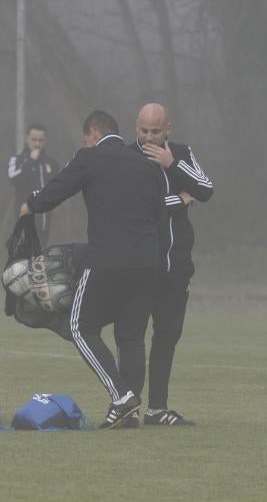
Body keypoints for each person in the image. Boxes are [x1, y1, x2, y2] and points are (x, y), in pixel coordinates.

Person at [19, 111, 165, 429]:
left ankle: (121, 396)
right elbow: (159, 213)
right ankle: (129, 414)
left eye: (86, 138)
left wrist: (32, 203)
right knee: (131, 337)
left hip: (106, 261)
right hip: (146, 263)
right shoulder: (146, 164)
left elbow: (58, 189)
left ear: (94, 133)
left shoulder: (90, 156)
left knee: (80, 327)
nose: (86, 142)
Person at [122, 102, 213, 427]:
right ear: (136, 127)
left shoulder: (181, 153)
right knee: (131, 336)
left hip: (176, 267)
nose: (149, 137)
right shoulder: (127, 157)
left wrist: (172, 164)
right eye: (144, 131)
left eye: (155, 131)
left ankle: (157, 409)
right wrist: (180, 200)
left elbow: (205, 189)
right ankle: (126, 407)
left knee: (167, 336)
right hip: (139, 266)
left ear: (167, 130)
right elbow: (136, 206)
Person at [8, 123, 59, 247]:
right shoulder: (17, 160)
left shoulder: (51, 164)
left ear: (45, 141)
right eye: (34, 140)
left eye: (40, 140)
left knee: (39, 261)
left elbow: (58, 188)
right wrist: (30, 161)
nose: (37, 144)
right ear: (27, 139)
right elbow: (14, 179)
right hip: (24, 222)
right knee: (24, 261)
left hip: (44, 222)